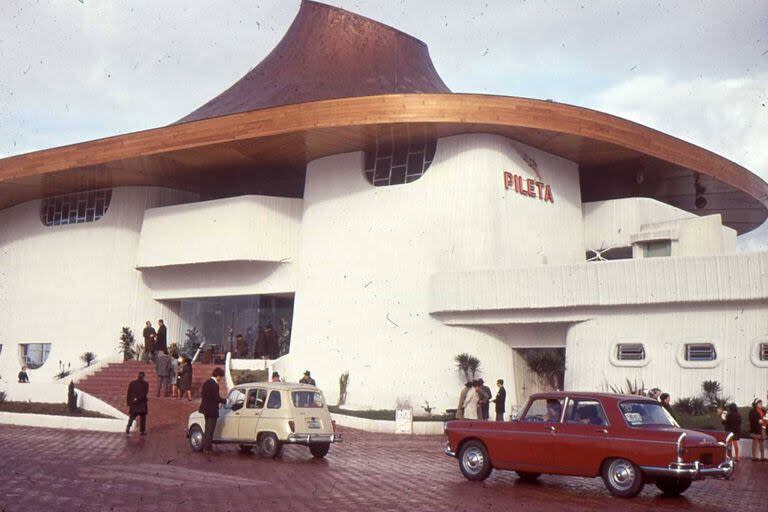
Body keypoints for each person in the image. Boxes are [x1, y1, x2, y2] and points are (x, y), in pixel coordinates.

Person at [199, 367, 227, 452]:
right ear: (218, 376)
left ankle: (205, 446)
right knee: (210, 430)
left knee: (207, 429)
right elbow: (216, 398)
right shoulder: (215, 385)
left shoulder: (206, 382)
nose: (220, 379)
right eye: (220, 377)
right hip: (212, 410)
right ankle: (207, 448)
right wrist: (225, 401)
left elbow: (203, 395)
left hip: (205, 409)